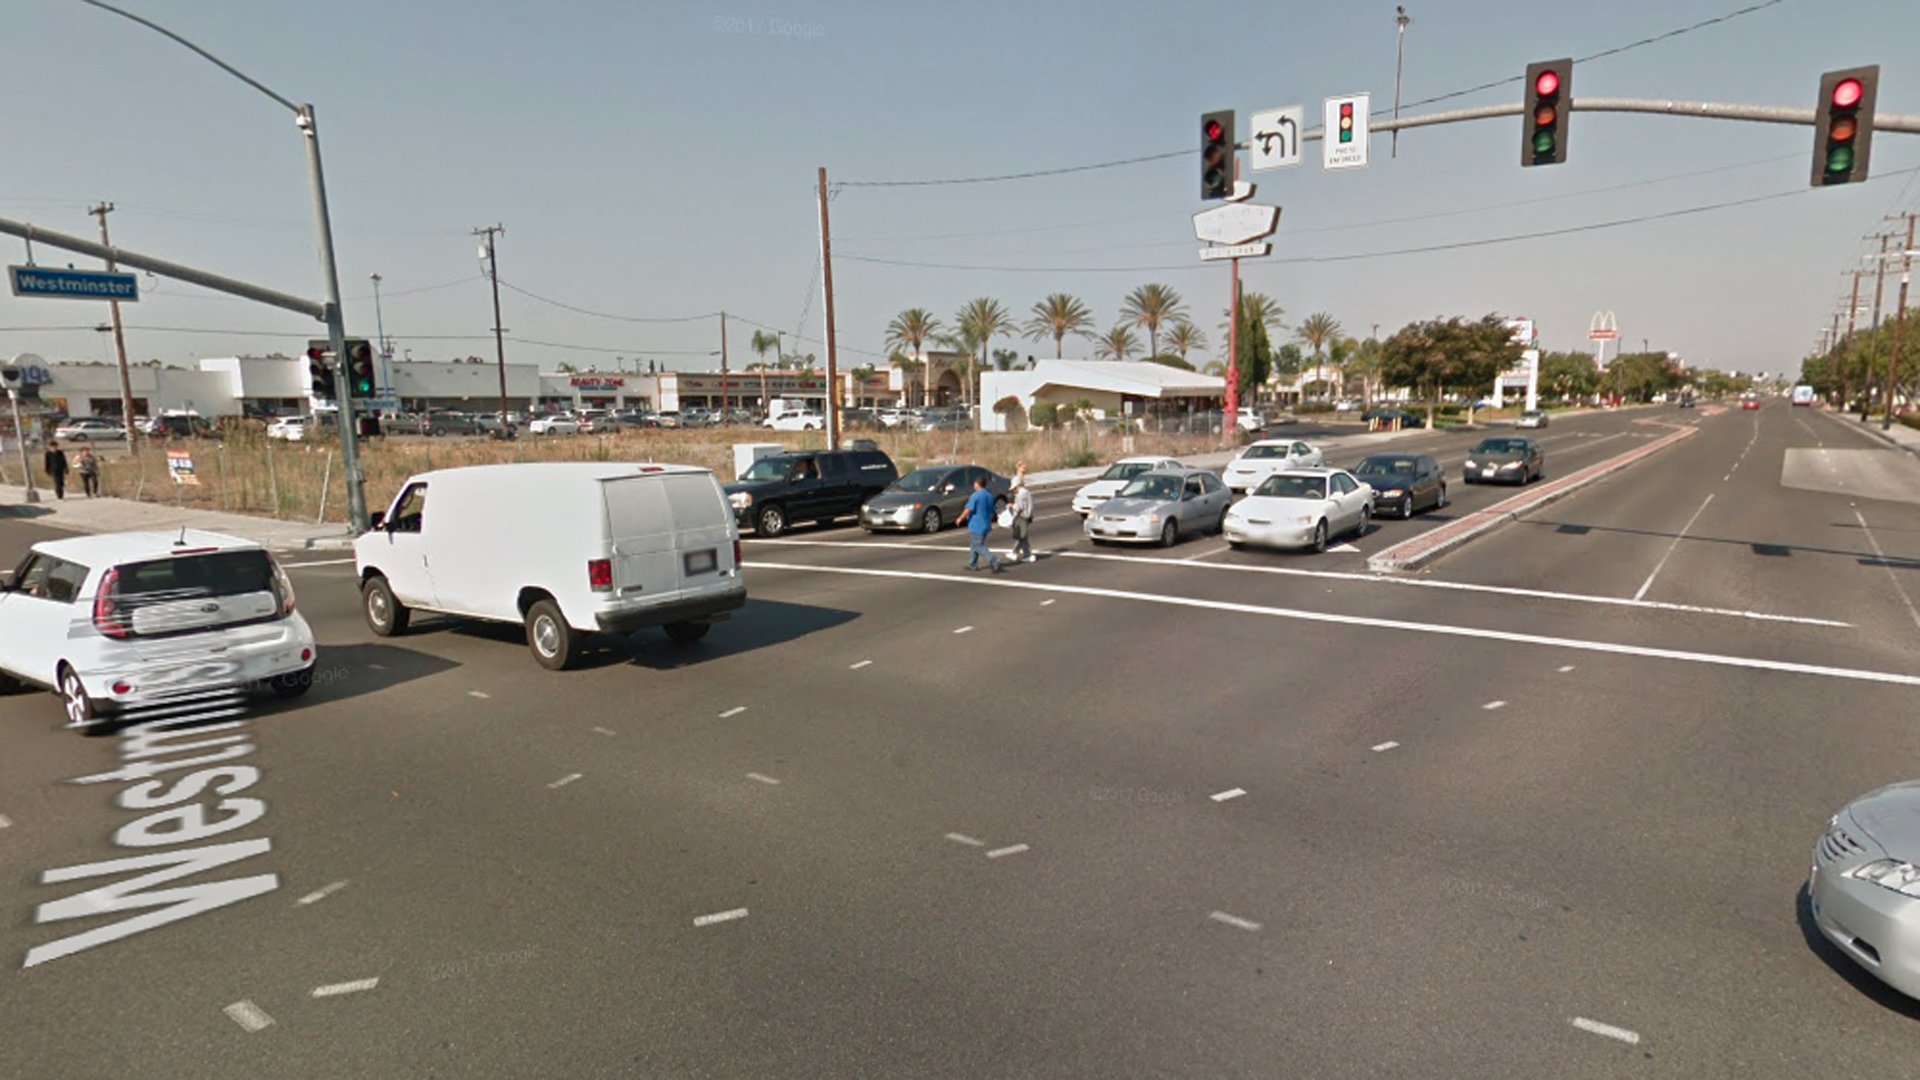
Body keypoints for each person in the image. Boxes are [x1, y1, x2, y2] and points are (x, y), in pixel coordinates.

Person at [954, 475, 1003, 573]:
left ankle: (994, 560)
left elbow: (968, 509)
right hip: (986, 523)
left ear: (977, 484)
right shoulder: (989, 496)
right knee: (974, 544)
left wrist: (960, 518)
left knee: (978, 545)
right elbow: (992, 510)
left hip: (977, 524)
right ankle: (973, 564)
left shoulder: (975, 496)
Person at [1009, 463, 1035, 564]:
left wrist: (1011, 506)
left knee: (1022, 536)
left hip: (1023, 517)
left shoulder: (1021, 494)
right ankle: (1018, 552)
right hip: (1028, 515)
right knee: (1023, 536)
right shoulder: (1026, 492)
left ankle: (1026, 554)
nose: (1014, 490)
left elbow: (1019, 507)